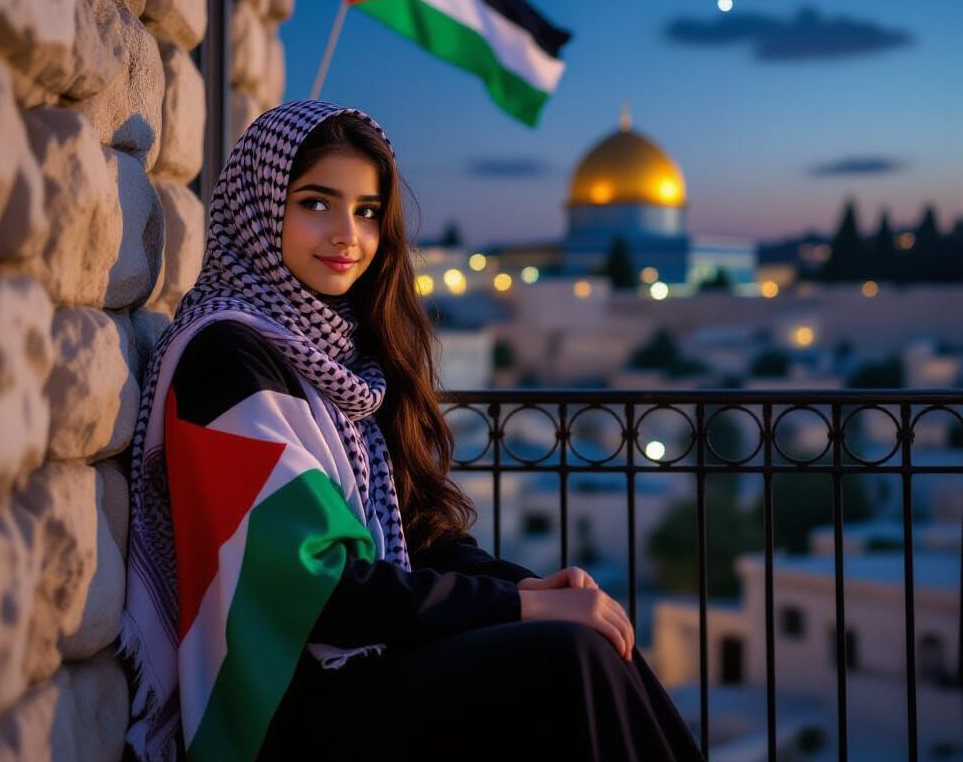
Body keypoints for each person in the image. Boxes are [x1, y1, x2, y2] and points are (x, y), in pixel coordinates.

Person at [121, 99, 705, 762]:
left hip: (360, 662)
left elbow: (418, 532)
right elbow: (318, 593)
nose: (348, 234)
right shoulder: (227, 360)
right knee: (566, 654)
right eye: (317, 203)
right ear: (259, 208)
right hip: (285, 701)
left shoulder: (338, 358)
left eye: (367, 211)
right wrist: (521, 612)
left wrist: (529, 589)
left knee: (595, 633)